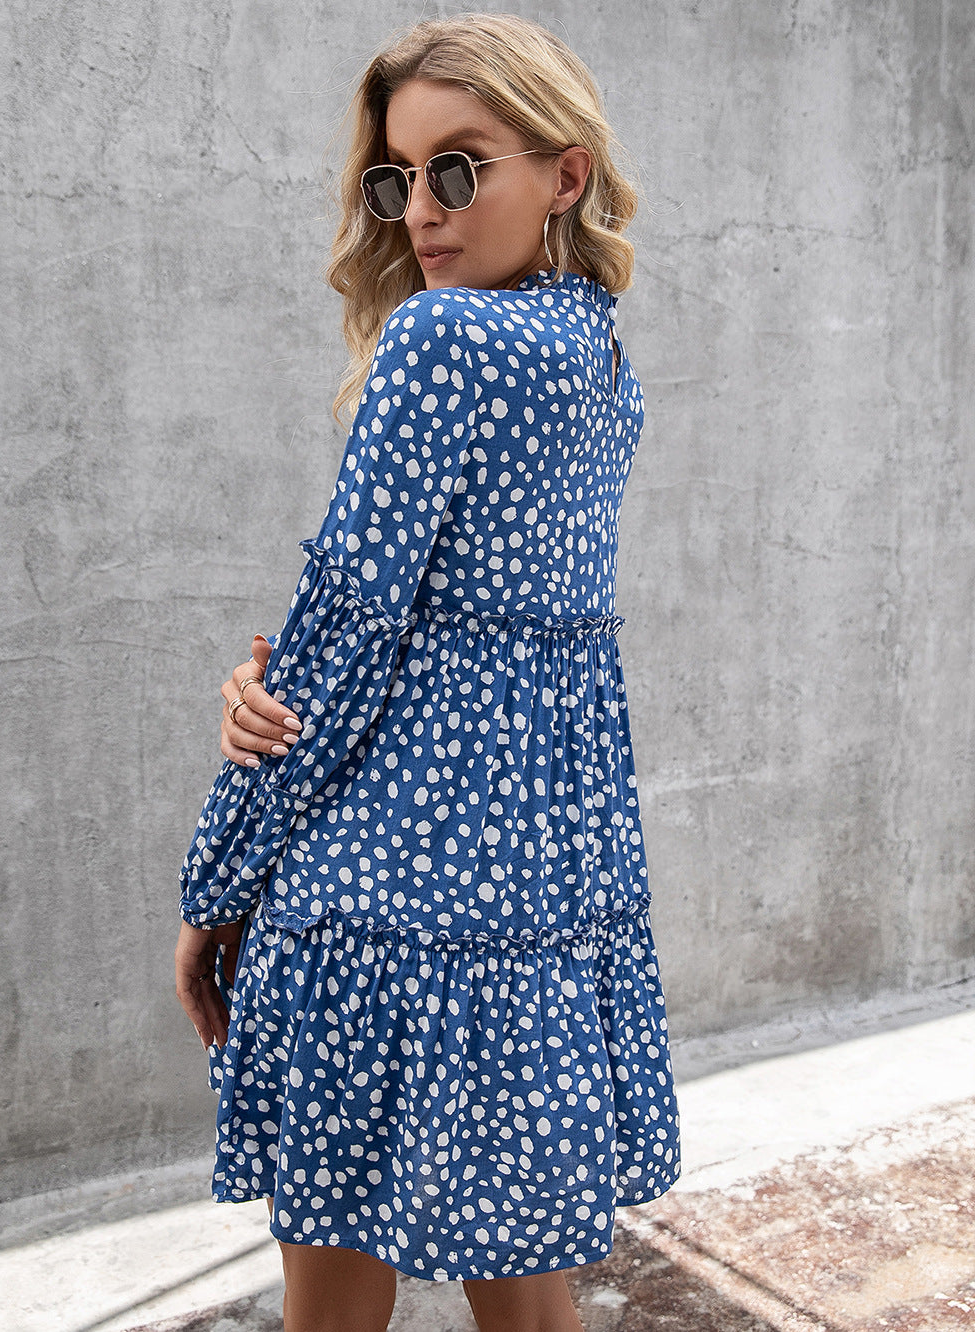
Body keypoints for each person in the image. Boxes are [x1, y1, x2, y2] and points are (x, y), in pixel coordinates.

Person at [174, 14, 680, 1332]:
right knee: (531, 1302)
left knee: (335, 1306)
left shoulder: (443, 340)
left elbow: (349, 627)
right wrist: (294, 669)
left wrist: (217, 880)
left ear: (566, 173)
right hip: (541, 902)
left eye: (459, 166)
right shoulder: (601, 361)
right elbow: (479, 637)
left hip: (379, 901)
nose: (421, 212)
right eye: (396, 178)